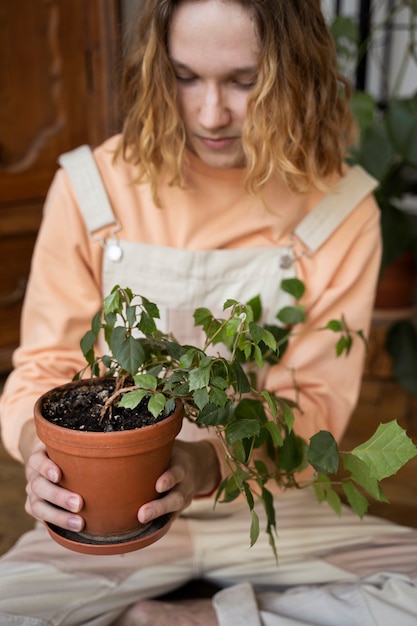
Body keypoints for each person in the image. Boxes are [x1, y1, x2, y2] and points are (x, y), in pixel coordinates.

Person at [0, 0, 417, 624]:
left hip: (265, 508)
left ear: (295, 73)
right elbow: (43, 369)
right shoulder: (93, 189)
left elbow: (313, 403)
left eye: (245, 81)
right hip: (109, 518)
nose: (210, 112)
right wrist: (43, 456)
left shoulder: (342, 210)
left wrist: (202, 462)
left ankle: (200, 618)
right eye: (183, 75)